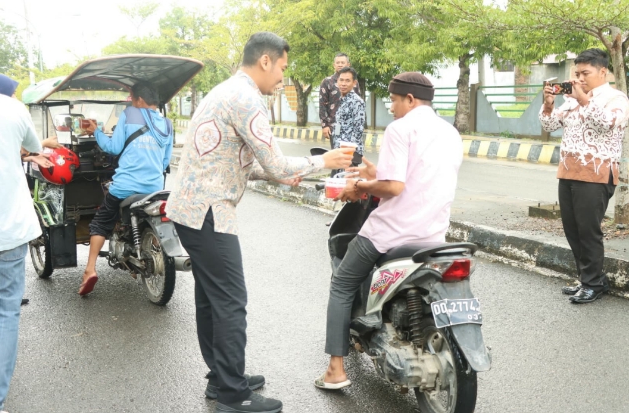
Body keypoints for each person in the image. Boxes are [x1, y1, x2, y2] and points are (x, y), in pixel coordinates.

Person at [165, 32, 352, 413]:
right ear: (265, 61)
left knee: (211, 299)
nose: (282, 79)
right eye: (282, 68)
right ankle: (234, 395)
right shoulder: (248, 99)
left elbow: (233, 161)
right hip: (209, 213)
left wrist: (280, 175)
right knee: (231, 302)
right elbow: (278, 163)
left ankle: (222, 378)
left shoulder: (225, 91)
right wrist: (324, 162)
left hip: (190, 209)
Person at [314, 72, 463, 390]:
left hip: (392, 233)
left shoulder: (400, 128)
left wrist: (360, 184)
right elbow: (417, 179)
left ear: (409, 99)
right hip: (433, 236)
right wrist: (373, 171)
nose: (391, 107)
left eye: (394, 100)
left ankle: (335, 370)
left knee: (341, 285)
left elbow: (394, 186)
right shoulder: (450, 132)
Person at [539, 48, 629, 304]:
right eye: (576, 73)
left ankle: (594, 283)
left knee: (588, 231)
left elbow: (609, 123)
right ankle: (588, 278)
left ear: (603, 71)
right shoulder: (572, 98)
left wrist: (584, 101)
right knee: (572, 229)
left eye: (585, 73)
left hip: (597, 173)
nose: (579, 78)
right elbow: (550, 126)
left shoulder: (616, 98)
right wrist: (548, 106)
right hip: (568, 171)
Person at [79, 81, 173, 296]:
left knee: (101, 222)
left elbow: (113, 147)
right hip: (155, 187)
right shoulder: (167, 124)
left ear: (138, 100)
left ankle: (90, 269)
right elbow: (165, 160)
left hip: (126, 186)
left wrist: (97, 132)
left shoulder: (130, 114)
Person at [0, 73, 53, 413]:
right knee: (6, 312)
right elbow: (34, 145)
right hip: (8, 231)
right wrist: (28, 154)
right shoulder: (13, 109)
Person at [319, 53, 361, 148]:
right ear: (334, 65)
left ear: (348, 64)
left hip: (352, 126)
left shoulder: (354, 83)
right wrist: (325, 125)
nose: (340, 64)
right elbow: (322, 105)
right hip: (335, 125)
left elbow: (358, 104)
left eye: (342, 62)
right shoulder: (327, 82)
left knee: (352, 156)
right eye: (338, 62)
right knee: (337, 152)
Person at [330, 66, 365, 176]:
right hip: (339, 151)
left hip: (348, 154)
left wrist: (348, 154)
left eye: (347, 81)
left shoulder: (357, 101)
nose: (343, 84)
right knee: (336, 183)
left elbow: (358, 130)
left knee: (345, 186)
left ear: (354, 83)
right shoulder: (342, 99)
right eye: (341, 80)